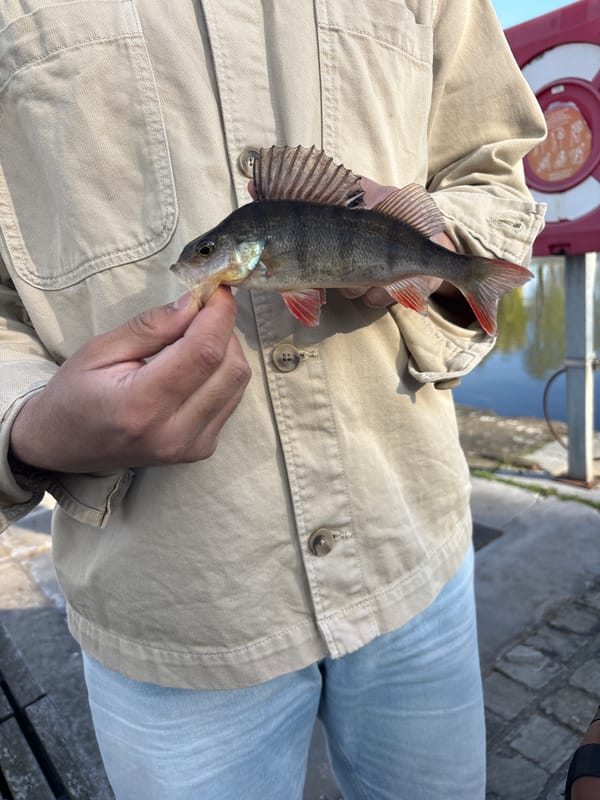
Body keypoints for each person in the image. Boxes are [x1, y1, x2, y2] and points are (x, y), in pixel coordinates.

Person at [0, 2, 546, 798]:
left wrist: (445, 261)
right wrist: (30, 427)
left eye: (212, 254)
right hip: (175, 608)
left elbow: (491, 167)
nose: (204, 264)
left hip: (415, 550)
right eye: (209, 254)